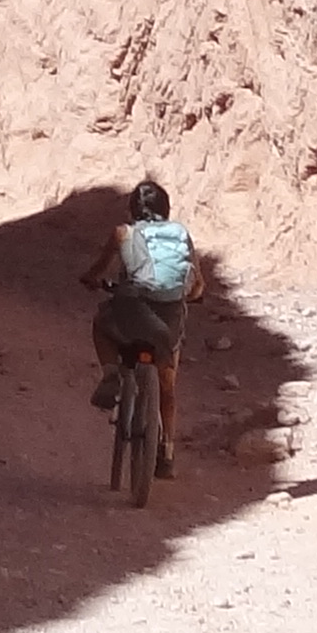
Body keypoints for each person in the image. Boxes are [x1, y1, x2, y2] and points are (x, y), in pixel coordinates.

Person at [80, 178, 197, 476]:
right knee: (167, 385)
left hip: (131, 314)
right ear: (166, 208)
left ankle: (110, 376)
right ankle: (167, 451)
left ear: (133, 208)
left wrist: (90, 279)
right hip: (169, 320)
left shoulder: (124, 233)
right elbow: (197, 286)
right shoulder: (182, 235)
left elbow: (98, 270)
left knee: (102, 323)